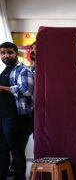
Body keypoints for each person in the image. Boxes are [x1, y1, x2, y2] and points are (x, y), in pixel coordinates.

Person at [0, 42, 34, 180]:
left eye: (10, 52)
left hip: (15, 118)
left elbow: (26, 90)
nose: (6, 55)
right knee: (1, 151)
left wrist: (4, 89)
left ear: (16, 53)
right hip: (2, 117)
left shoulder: (22, 70)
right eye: (3, 53)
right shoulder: (4, 71)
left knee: (17, 151)